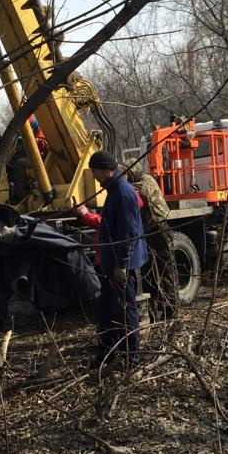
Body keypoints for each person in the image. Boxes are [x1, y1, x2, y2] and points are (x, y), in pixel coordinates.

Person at [85, 150, 147, 368]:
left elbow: (128, 233)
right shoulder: (113, 190)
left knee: (125, 310)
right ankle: (109, 353)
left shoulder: (124, 193)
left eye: (94, 171)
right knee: (107, 310)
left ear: (105, 170)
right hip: (110, 263)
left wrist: (122, 265)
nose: (93, 176)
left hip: (121, 265)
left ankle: (133, 360)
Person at [122, 161, 178, 319]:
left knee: (166, 270)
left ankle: (171, 310)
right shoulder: (136, 182)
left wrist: (121, 186)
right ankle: (155, 309)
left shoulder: (146, 180)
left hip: (159, 229)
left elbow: (143, 193)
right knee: (148, 272)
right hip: (147, 231)